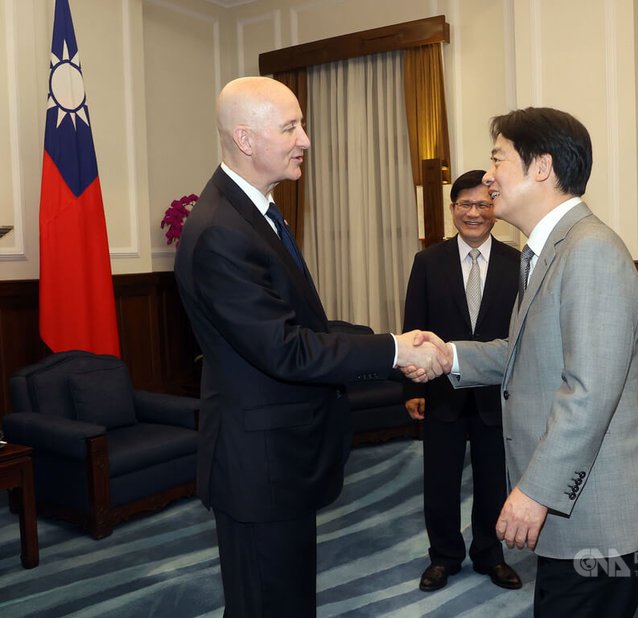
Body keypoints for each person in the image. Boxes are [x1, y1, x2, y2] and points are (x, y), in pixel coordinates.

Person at [174, 76, 445, 617]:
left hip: (279, 460)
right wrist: (395, 353)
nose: (306, 140)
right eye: (290, 127)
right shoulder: (223, 230)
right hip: (260, 468)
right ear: (246, 139)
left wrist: (393, 342)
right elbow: (287, 350)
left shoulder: (253, 213)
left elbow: (302, 325)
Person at [409, 107, 638, 617]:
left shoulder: (590, 252)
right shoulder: (548, 251)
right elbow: (522, 352)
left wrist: (535, 492)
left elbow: (590, 393)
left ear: (542, 167)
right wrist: (448, 355)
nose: (488, 177)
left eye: (498, 160)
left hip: (600, 518)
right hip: (575, 513)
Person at [402, 170, 522, 592]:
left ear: (495, 209)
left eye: (483, 204)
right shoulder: (428, 262)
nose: (474, 213)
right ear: (453, 209)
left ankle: (490, 554)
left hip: (496, 394)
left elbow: (522, 335)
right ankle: (444, 557)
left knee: (493, 481)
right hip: (441, 393)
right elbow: (414, 329)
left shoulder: (517, 263)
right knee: (440, 481)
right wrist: (413, 389)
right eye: (465, 204)